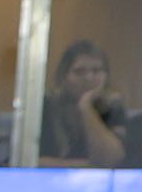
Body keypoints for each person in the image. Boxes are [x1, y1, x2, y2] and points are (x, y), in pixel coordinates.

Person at [43, 39, 131, 167]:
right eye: (79, 71)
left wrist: (86, 107)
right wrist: (86, 166)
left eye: (96, 71)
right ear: (64, 77)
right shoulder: (47, 106)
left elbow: (111, 159)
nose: (89, 78)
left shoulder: (113, 107)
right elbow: (32, 159)